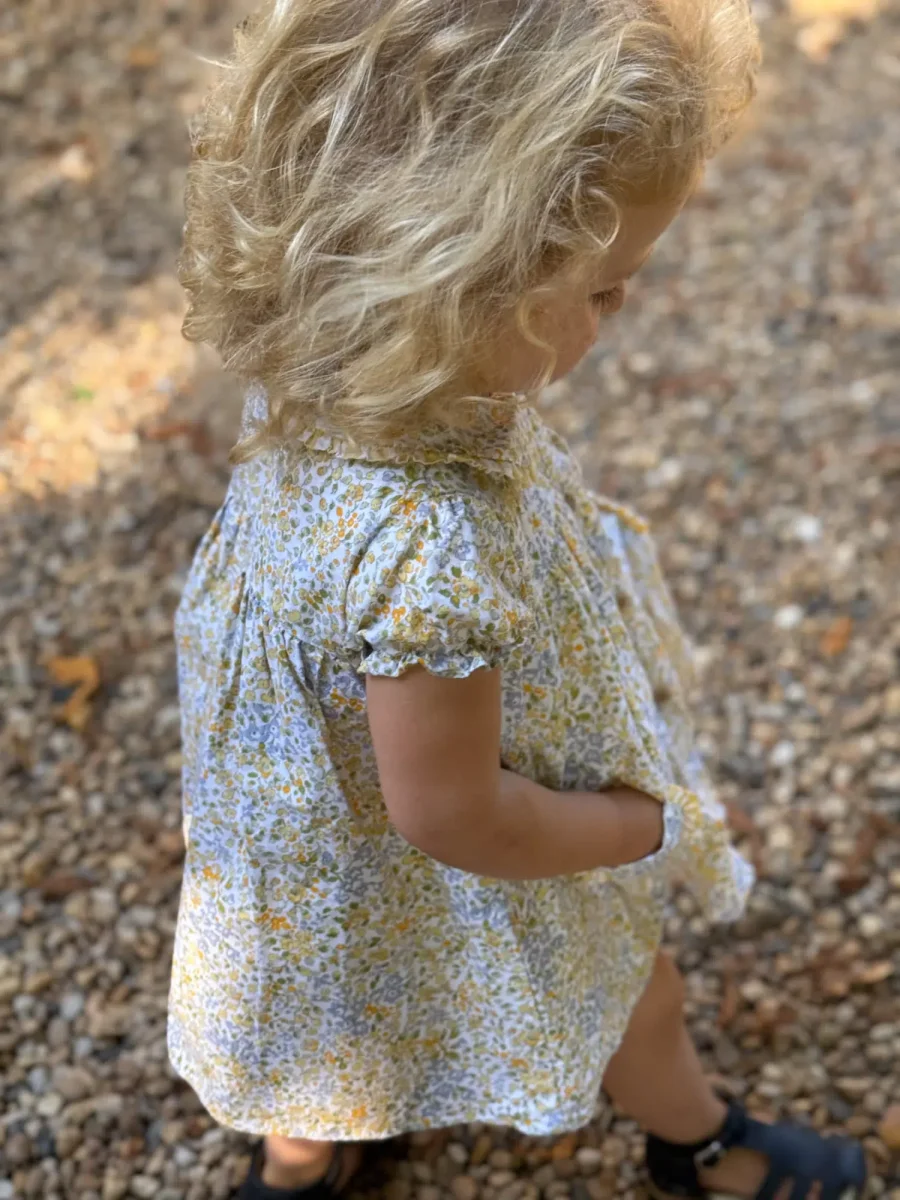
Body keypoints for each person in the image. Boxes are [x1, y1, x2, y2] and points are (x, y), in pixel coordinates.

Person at [169, 2, 867, 1198]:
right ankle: (703, 1149)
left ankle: (305, 1159)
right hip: (475, 825)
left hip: (309, 844)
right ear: (458, 281)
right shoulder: (424, 549)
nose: (621, 314)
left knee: (316, 1008)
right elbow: (458, 815)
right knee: (635, 992)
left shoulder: (331, 371)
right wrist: (636, 827)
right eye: (607, 291)